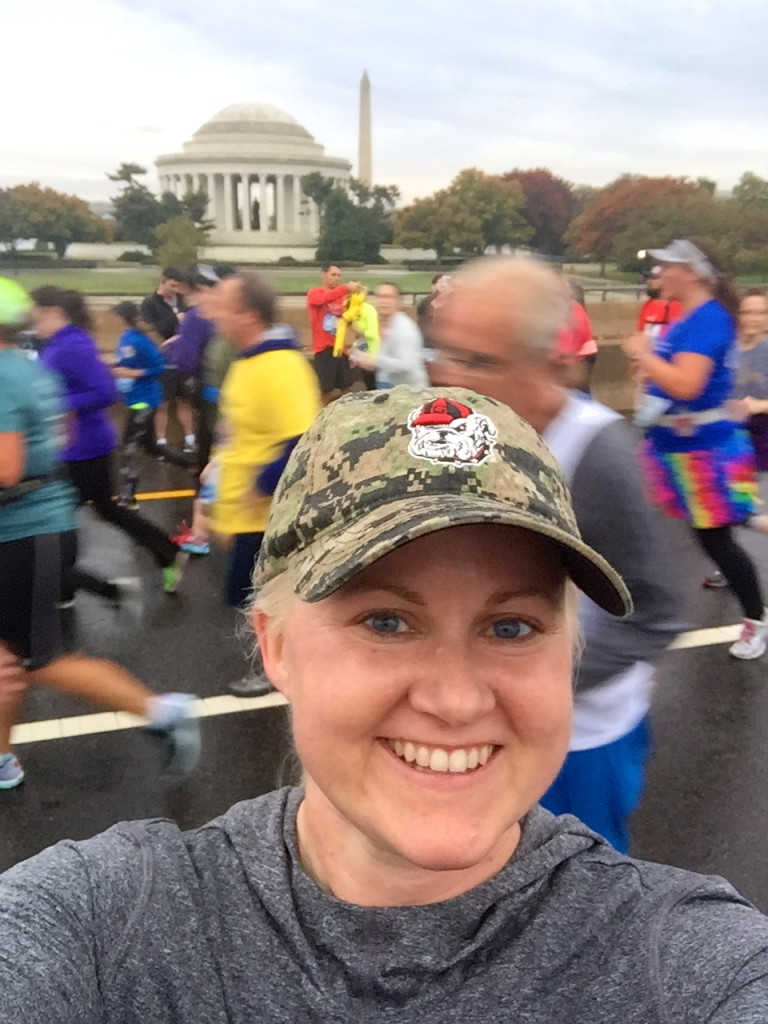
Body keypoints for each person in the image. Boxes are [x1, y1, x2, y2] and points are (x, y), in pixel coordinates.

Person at [3, 386, 768, 1021]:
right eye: (386, 621)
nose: (455, 698)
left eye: (512, 626)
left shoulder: (689, 968)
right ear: (275, 646)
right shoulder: (102, 926)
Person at [428, 255, 683, 853]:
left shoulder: (596, 454)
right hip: (481, 719)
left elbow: (656, 609)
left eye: (480, 361)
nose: (449, 377)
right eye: (445, 354)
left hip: (580, 741)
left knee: (579, 893)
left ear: (547, 365)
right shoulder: (462, 429)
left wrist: (535, 679)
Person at [0, 279, 199, 790]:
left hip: (23, 532)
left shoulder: (7, 375)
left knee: (41, 660)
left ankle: (162, 712)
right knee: (10, 657)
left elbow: (5, 470)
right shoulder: (27, 368)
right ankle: (1, 757)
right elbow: (60, 431)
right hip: (38, 522)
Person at [624, 238, 768, 660]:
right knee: (708, 532)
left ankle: (755, 622)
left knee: (715, 540)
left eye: (667, 266)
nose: (658, 274)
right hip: (677, 447)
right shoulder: (684, 318)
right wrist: (648, 370)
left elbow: (687, 383)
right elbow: (669, 381)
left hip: (706, 453)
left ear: (693, 272)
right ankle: (751, 518)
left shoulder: (710, 319)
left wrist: (642, 356)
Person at [30, 286, 187, 597]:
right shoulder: (62, 343)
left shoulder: (70, 346)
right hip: (76, 446)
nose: (32, 321)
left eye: (36, 315)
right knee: (100, 509)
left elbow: (105, 391)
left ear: (54, 313)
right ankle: (163, 552)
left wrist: (55, 402)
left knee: (58, 517)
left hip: (82, 449)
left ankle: (76, 587)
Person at [110, 301, 165, 510]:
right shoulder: (125, 339)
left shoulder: (140, 341)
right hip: (133, 398)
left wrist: (132, 373)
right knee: (150, 446)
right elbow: (126, 363)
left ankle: (129, 496)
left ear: (123, 317)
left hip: (145, 400)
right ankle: (190, 464)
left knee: (130, 445)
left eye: (116, 316)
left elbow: (159, 366)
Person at [140, 267, 195, 452]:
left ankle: (190, 439)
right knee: (163, 403)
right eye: (172, 285)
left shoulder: (183, 301)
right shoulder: (149, 304)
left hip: (182, 358)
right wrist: (175, 319)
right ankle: (161, 442)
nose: (176, 290)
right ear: (163, 282)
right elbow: (151, 330)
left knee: (184, 401)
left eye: (178, 287)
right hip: (163, 359)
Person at [174, 270, 218, 469]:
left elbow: (186, 361)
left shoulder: (194, 317)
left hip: (209, 387)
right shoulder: (225, 313)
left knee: (208, 441)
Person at [350, 281, 429, 389]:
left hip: (411, 394)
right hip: (392, 389)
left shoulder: (404, 328)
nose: (384, 301)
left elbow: (407, 364)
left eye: (388, 297)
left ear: (398, 301)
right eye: (380, 297)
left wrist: (374, 361)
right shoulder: (385, 324)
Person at [306, 263, 361, 404]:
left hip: (340, 349)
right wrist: (346, 288)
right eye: (333, 274)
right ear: (323, 275)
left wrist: (358, 330)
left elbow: (346, 318)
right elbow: (321, 300)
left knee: (346, 387)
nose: (337, 278)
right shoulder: (315, 292)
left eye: (339, 275)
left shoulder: (340, 297)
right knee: (326, 390)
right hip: (324, 349)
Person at [637, 265, 683, 339]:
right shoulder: (647, 305)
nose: (650, 281)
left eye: (655, 278)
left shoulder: (675, 306)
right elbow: (640, 332)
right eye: (649, 278)